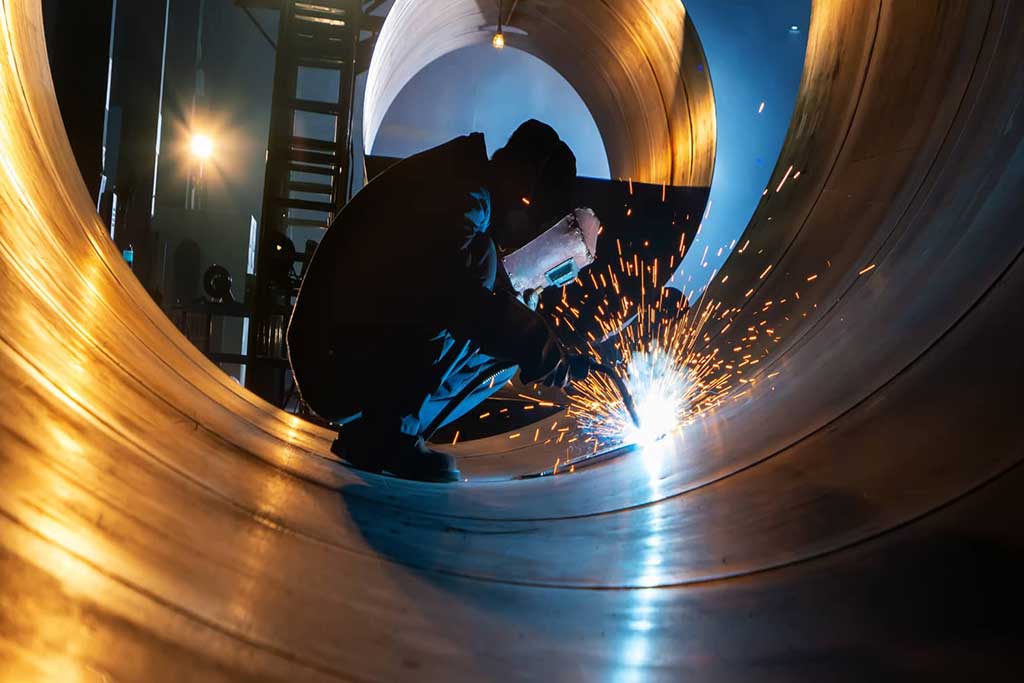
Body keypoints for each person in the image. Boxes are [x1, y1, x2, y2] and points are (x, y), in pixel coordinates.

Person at [287, 120, 596, 483]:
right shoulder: (460, 193)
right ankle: (387, 434)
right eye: (530, 207)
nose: (523, 219)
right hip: (331, 363)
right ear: (522, 178)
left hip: (337, 356)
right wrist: (531, 339)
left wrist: (536, 339)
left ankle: (392, 431)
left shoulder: (464, 184)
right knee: (484, 276)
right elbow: (453, 294)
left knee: (502, 324)